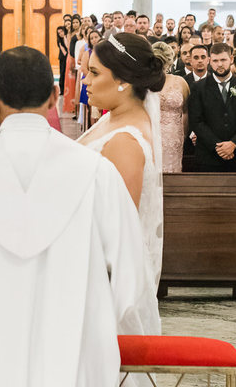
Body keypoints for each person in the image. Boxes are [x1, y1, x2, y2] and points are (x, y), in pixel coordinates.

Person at [0, 45, 155, 387]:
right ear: (55, 96)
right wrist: (90, 308)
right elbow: (131, 277)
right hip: (78, 349)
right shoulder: (97, 173)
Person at [75, 32, 164, 331]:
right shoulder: (112, 118)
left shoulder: (126, 140)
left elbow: (118, 226)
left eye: (95, 72)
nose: (85, 80)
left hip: (105, 279)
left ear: (123, 81)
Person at [188, 43, 236, 172]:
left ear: (231, 59)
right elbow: (196, 121)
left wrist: (233, 144)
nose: (219, 64)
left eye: (223, 60)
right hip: (207, 158)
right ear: (209, 61)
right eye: (215, 60)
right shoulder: (198, 88)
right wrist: (217, 147)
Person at [152, 41, 190, 174]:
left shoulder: (179, 82)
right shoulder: (144, 82)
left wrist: (183, 134)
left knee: (172, 171)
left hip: (174, 136)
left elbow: (186, 111)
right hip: (151, 133)